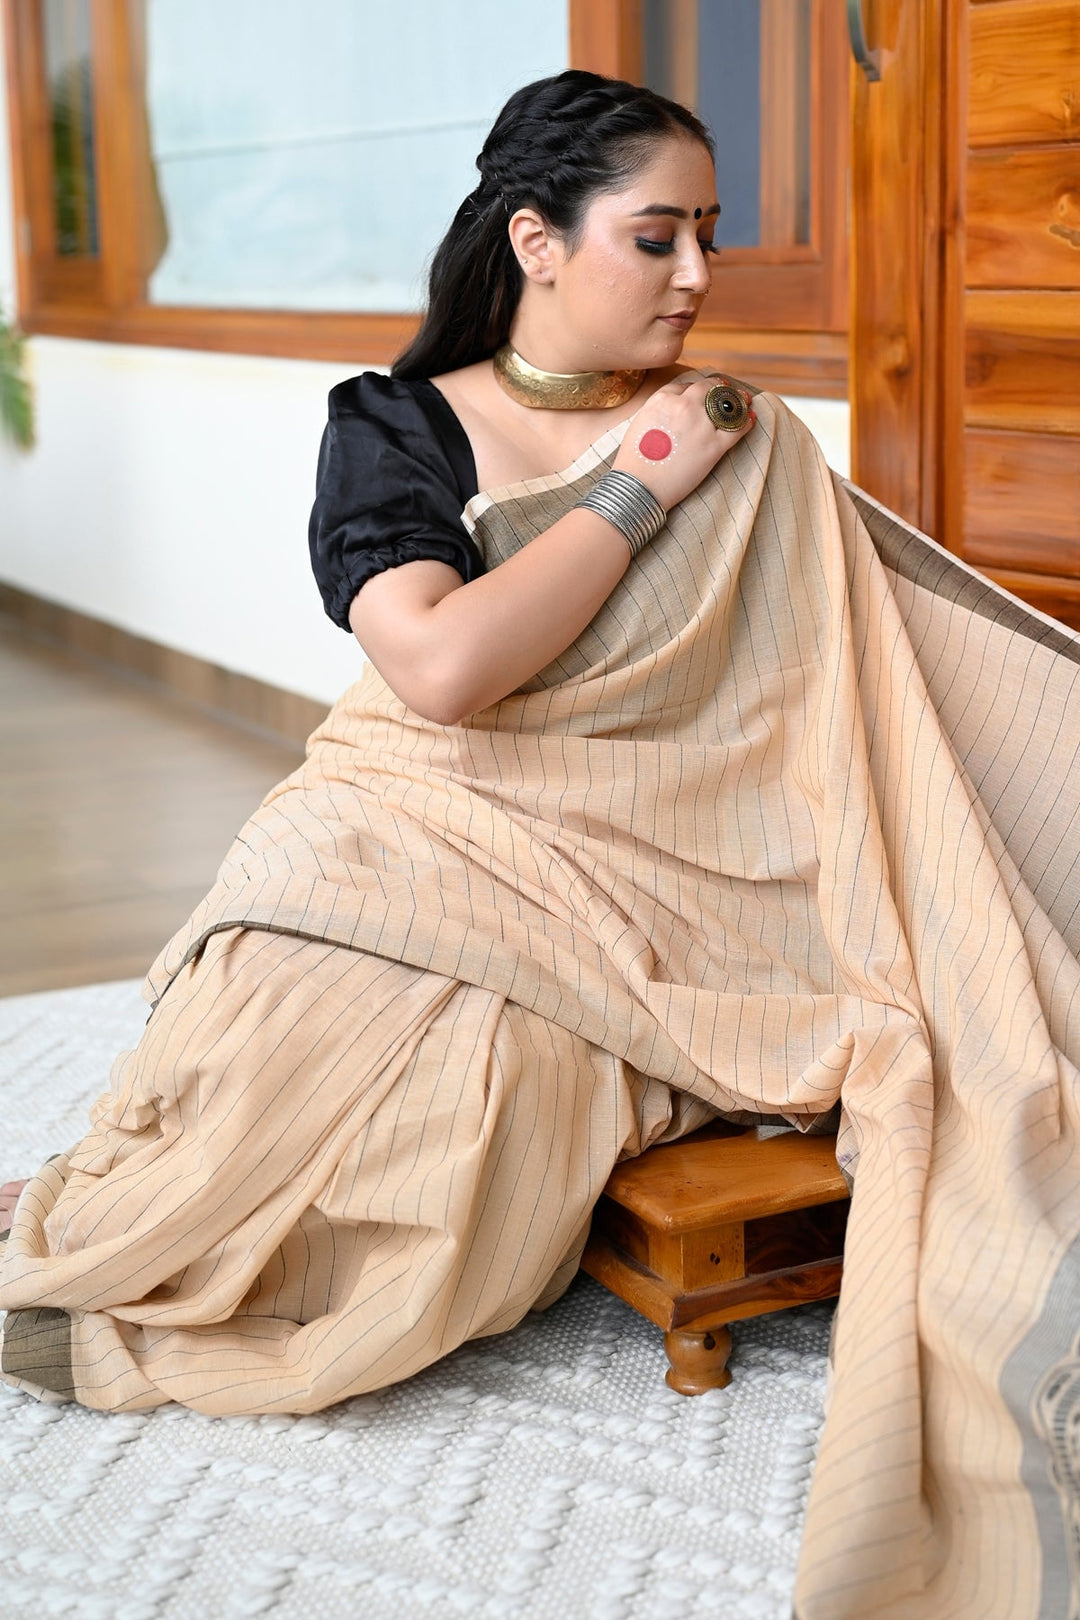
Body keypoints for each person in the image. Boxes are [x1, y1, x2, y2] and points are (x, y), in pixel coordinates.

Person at [2, 70, 1080, 1620]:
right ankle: (128, 1206)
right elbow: (440, 672)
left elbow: (826, 684)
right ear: (539, 239)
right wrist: (642, 483)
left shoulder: (741, 439)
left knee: (446, 1154)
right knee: (258, 1047)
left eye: (709, 235)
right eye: (660, 237)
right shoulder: (401, 428)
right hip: (412, 821)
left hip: (670, 884)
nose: (700, 276)